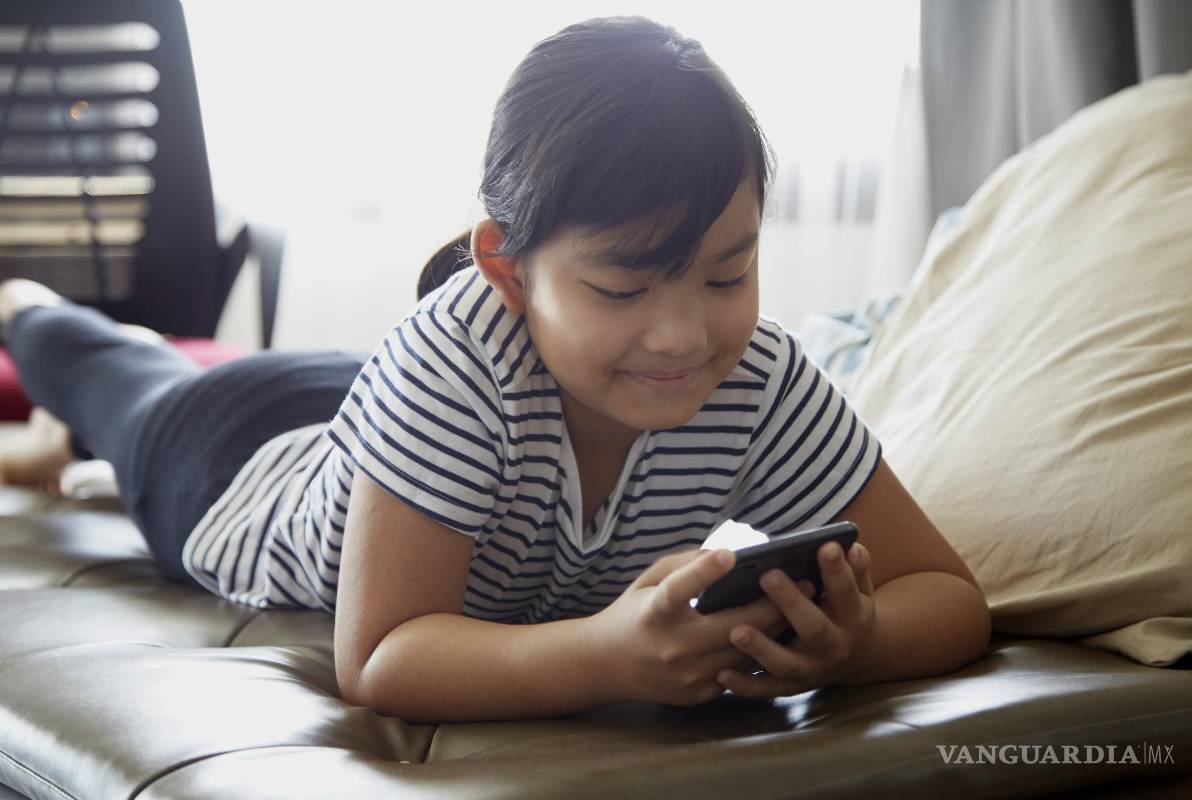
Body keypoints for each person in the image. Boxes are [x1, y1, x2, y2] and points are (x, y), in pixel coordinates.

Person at [0, 16, 991, 723]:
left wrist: (854, 641)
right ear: (508, 273)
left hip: (380, 418)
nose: (685, 334)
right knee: (107, 371)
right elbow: (382, 655)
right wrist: (606, 654)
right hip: (233, 458)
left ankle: (55, 423)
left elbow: (948, 593)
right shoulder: (453, 362)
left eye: (728, 271)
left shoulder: (763, 380)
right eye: (622, 289)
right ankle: (27, 309)